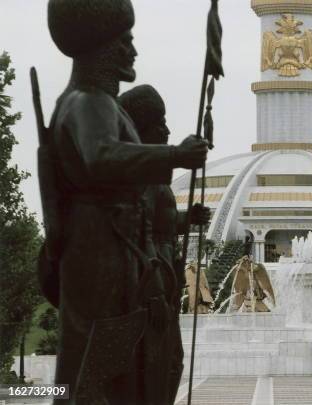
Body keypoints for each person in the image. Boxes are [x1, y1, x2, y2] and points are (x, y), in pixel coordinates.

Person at [45, 1, 207, 403]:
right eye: (125, 41)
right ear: (102, 44)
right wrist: (175, 156)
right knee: (96, 362)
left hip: (110, 250)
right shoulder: (88, 101)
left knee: (113, 366)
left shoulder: (97, 102)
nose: (132, 51)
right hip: (99, 247)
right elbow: (100, 157)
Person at [118, 84, 211, 404]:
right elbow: (138, 235)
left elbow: (161, 225)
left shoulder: (155, 176)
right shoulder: (136, 177)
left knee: (170, 363)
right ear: (140, 129)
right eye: (159, 124)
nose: (167, 130)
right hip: (151, 287)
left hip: (164, 285)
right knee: (158, 365)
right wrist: (154, 290)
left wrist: (189, 219)